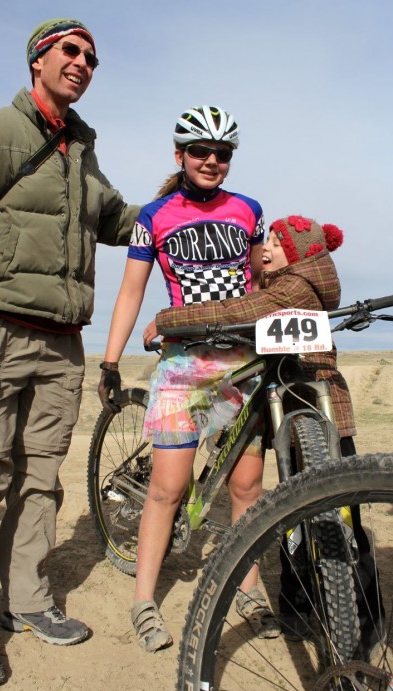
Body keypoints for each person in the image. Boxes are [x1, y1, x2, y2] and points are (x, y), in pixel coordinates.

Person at [0, 18, 139, 688]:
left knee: (38, 480)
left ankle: (25, 600)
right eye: (70, 51)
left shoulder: (81, 151)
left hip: (61, 345)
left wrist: (185, 206)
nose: (83, 62)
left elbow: (120, 219)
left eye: (91, 56)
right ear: (38, 60)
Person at [98, 105, 282, 653]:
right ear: (179, 156)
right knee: (168, 489)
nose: (211, 161)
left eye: (222, 154)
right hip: (184, 365)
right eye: (200, 151)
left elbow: (260, 278)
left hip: (241, 365)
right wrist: (109, 361)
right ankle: (144, 600)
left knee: (246, 487)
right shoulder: (154, 215)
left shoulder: (249, 210)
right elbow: (131, 291)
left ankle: (248, 588)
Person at [154, 214, 385, 648]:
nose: (266, 247)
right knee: (329, 512)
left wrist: (170, 318)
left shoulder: (293, 288)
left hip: (306, 412)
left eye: (276, 242)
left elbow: (239, 310)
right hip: (312, 414)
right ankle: (337, 617)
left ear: (296, 253)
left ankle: (321, 617)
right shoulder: (292, 284)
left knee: (308, 513)